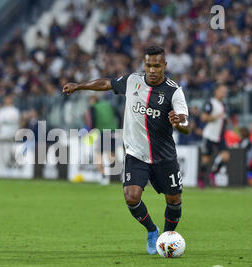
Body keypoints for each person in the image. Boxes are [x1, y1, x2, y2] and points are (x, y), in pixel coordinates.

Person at [62, 46, 190, 255]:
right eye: (148, 65)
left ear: (164, 65)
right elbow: (107, 83)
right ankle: (152, 230)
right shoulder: (132, 81)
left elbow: (186, 123)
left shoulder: (174, 91)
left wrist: (179, 122)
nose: (152, 70)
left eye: (157, 65)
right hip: (136, 153)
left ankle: (166, 239)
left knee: (174, 200)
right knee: (131, 196)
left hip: (164, 156)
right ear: (144, 65)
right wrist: (79, 86)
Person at [199, 84, 230, 187]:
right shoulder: (210, 102)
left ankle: (213, 172)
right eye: (222, 91)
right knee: (206, 160)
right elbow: (203, 117)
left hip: (220, 135)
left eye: (225, 91)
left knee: (225, 156)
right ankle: (201, 181)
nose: (224, 93)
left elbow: (222, 118)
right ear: (216, 91)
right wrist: (216, 117)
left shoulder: (224, 104)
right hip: (210, 134)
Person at [84, 95, 120, 185]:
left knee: (98, 155)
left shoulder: (93, 107)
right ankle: (123, 173)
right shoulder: (109, 105)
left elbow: (92, 120)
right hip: (112, 131)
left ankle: (103, 177)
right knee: (111, 156)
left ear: (92, 100)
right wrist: (119, 127)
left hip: (102, 132)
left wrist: (91, 129)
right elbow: (118, 115)